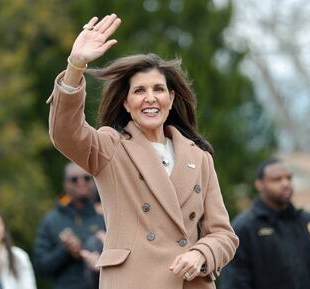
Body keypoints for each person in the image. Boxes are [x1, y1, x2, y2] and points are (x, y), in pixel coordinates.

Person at [46, 13, 238, 289]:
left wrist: (201, 253)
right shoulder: (110, 146)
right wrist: (76, 65)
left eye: (159, 89)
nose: (150, 98)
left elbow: (223, 235)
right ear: (126, 102)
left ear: (171, 99)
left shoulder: (199, 157)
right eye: (139, 91)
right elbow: (66, 134)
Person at [219, 158, 310, 289]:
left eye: (289, 178)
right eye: (277, 179)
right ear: (260, 184)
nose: (285, 183)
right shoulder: (243, 229)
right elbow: (234, 282)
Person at [33, 162, 105, 289]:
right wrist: (65, 250)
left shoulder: (106, 217)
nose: (81, 182)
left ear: (94, 182)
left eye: (87, 178)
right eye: (74, 179)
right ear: (65, 184)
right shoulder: (51, 220)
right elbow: (41, 268)